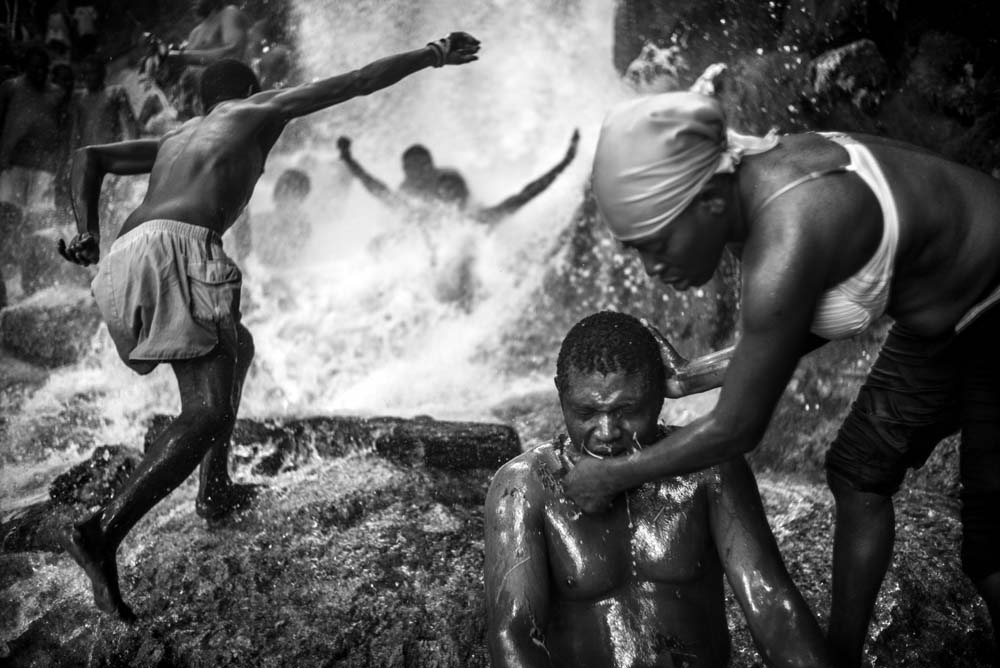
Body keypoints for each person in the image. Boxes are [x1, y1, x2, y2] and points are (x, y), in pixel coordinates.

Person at [563, 91, 1000, 667]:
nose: (654, 268)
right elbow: (795, 326)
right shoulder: (753, 191)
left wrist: (613, 476)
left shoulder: (789, 228)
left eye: (658, 244)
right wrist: (690, 377)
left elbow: (736, 429)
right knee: (859, 471)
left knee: (990, 547)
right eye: (638, 251)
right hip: (946, 316)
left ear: (709, 202)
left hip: (993, 309)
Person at [56, 32, 481, 622]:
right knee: (203, 412)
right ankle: (101, 532)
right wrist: (432, 54)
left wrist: (85, 233)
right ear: (252, 93)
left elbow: (89, 158)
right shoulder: (255, 111)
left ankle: (215, 488)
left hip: (126, 254)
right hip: (177, 247)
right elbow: (357, 80)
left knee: (240, 345)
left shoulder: (178, 137)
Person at [485, 310, 833, 668]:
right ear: (561, 394)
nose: (606, 431)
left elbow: (771, 602)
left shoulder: (710, 469)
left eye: (626, 410)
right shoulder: (524, 486)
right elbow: (514, 634)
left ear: (660, 394)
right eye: (586, 411)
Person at [337, 129, 580, 225]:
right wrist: (349, 159)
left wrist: (565, 162)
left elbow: (526, 194)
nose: (414, 176)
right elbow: (375, 187)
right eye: (410, 172)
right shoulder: (416, 213)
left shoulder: (479, 219)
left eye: (419, 170)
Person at [0, 46, 63, 211]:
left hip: (44, 166)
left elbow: (64, 129)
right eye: (35, 67)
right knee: (8, 213)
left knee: (39, 218)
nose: (40, 72)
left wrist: (61, 164)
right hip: (12, 164)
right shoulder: (10, 87)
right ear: (25, 67)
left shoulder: (57, 93)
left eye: (44, 68)